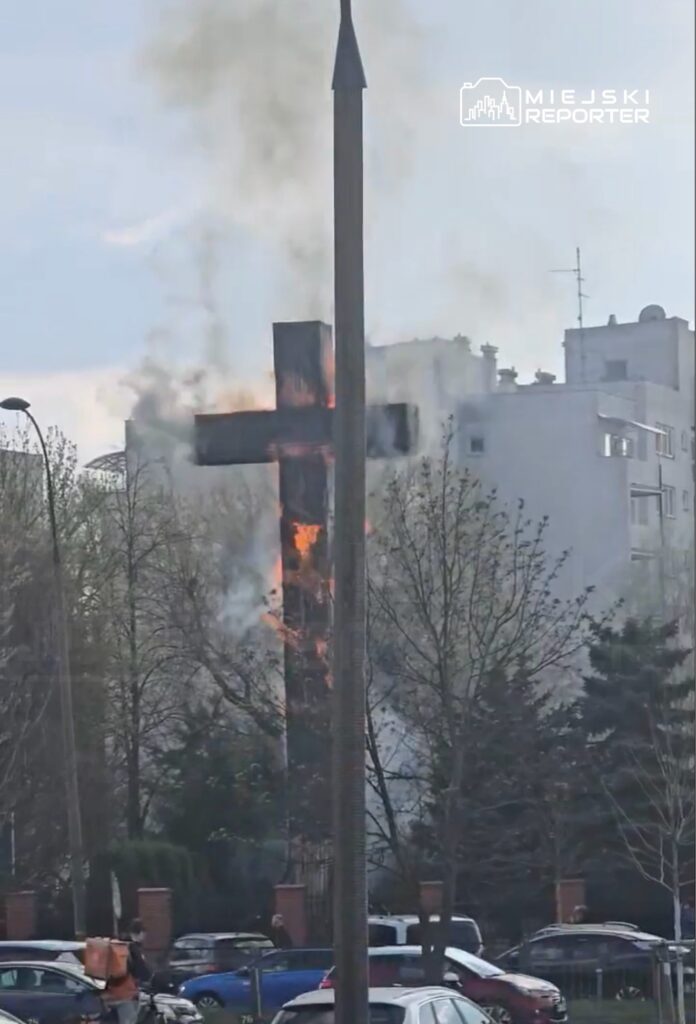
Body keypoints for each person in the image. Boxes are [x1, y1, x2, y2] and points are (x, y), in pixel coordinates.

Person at [104, 919, 152, 1024]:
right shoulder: (133, 948)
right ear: (140, 933)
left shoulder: (119, 945)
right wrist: (150, 979)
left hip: (110, 993)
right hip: (126, 993)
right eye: (144, 934)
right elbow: (142, 971)